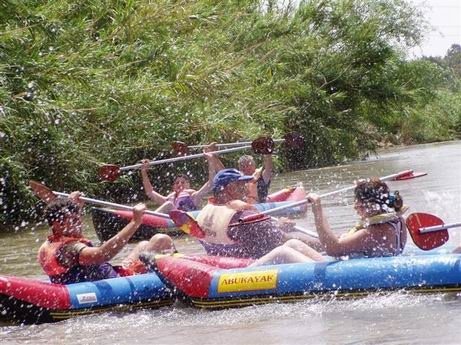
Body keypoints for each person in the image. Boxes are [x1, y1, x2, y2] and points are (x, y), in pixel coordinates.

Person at [250, 178, 407, 266]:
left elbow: (333, 248)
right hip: (355, 266)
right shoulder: (397, 220)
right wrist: (365, 187)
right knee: (292, 244)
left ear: (369, 204)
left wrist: (318, 211)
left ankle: (237, 278)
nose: (354, 206)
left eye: (357, 201)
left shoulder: (375, 231)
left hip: (351, 274)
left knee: (282, 252)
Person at [38, 192, 175, 284]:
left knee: (144, 244)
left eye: (78, 217)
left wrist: (72, 204)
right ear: (57, 224)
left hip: (111, 276)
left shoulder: (50, 242)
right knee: (162, 239)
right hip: (116, 284)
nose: (79, 222)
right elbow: (102, 254)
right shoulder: (70, 247)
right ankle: (179, 281)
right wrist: (135, 222)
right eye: (73, 219)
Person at [196, 168, 294, 259]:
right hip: (251, 270)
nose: (246, 190)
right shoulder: (242, 218)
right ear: (231, 188)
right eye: (242, 185)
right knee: (293, 243)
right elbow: (281, 237)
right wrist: (280, 226)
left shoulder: (203, 214)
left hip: (223, 265)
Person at [140, 143, 222, 213]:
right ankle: (150, 218)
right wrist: (144, 172)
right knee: (168, 204)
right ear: (173, 187)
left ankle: (149, 217)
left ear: (188, 185)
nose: (179, 184)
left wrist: (210, 159)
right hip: (171, 219)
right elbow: (150, 192)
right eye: (176, 183)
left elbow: (211, 182)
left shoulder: (194, 196)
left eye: (183, 182)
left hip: (190, 220)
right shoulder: (168, 200)